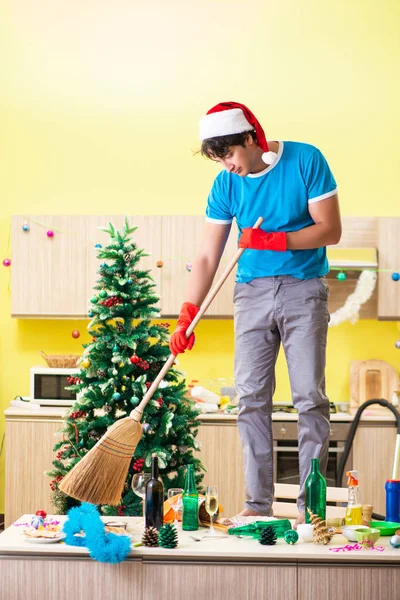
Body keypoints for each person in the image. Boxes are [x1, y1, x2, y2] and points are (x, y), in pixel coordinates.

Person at [169, 101, 341, 526]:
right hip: (251, 294)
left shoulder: (306, 160)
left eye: (228, 155)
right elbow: (209, 256)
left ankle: (311, 508)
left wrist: (276, 242)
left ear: (250, 139)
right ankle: (258, 505)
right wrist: (188, 313)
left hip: (304, 291)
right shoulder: (226, 185)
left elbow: (330, 230)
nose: (226, 166)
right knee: (249, 399)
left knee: (308, 399)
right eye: (217, 159)